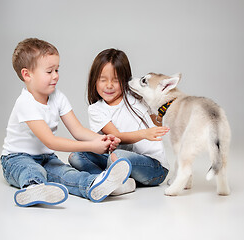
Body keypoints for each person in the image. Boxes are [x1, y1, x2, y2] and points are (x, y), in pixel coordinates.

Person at [1, 38, 132, 207]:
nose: (55, 75)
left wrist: (101, 139)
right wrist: (90, 146)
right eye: (49, 71)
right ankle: (33, 189)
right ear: (27, 75)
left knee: (66, 173)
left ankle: (97, 185)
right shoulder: (25, 102)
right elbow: (51, 141)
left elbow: (77, 130)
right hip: (16, 159)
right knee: (32, 170)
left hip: (47, 157)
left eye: (57, 70)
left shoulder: (57, 96)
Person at [69, 48, 169, 195]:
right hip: (121, 159)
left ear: (125, 80)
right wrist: (144, 133)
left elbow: (156, 117)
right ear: (94, 80)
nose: (109, 85)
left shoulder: (134, 96)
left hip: (154, 167)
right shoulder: (96, 109)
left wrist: (159, 118)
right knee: (76, 156)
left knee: (118, 157)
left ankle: (114, 179)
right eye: (103, 80)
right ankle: (111, 181)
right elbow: (117, 136)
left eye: (115, 80)